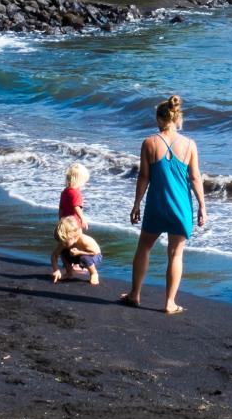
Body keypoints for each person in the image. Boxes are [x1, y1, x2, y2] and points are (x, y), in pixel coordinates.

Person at [122, 94, 207, 315]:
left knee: (145, 247)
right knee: (176, 254)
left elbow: (143, 177)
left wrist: (136, 204)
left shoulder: (149, 143)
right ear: (178, 119)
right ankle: (169, 303)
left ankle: (135, 294)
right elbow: (196, 178)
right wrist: (202, 207)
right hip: (181, 207)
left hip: (156, 205)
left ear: (159, 119)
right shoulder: (189, 145)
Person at [50, 215, 103, 285]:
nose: (63, 244)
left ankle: (94, 273)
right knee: (63, 252)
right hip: (78, 256)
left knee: (84, 257)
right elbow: (54, 255)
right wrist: (56, 270)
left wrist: (79, 252)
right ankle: (69, 274)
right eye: (61, 241)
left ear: (73, 237)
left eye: (65, 242)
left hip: (94, 257)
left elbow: (95, 252)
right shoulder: (64, 242)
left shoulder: (84, 240)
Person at [59, 163, 89, 229]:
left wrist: (60, 221)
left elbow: (61, 208)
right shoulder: (76, 193)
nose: (84, 183)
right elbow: (76, 207)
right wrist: (82, 219)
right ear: (79, 181)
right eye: (84, 181)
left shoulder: (64, 192)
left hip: (65, 223)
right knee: (81, 238)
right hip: (74, 223)